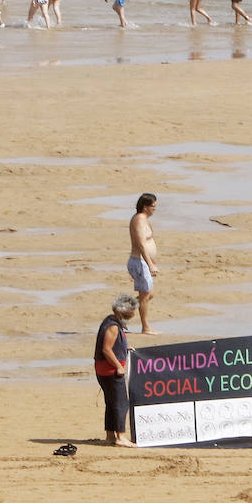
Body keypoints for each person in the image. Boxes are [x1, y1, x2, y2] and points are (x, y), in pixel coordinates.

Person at [95, 294, 138, 448]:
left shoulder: (111, 321)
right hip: (109, 370)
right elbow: (106, 349)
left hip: (103, 369)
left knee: (111, 403)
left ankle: (110, 436)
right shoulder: (113, 326)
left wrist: (125, 348)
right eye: (130, 313)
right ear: (123, 313)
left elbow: (112, 344)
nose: (133, 316)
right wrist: (118, 366)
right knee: (121, 403)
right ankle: (121, 436)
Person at [127, 192, 158, 334]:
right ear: (145, 207)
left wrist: (153, 261)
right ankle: (145, 327)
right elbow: (141, 243)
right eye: (153, 206)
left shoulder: (144, 219)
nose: (155, 209)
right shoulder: (139, 220)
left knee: (149, 294)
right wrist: (149, 264)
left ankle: (123, 312)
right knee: (145, 295)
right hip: (139, 261)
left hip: (144, 262)